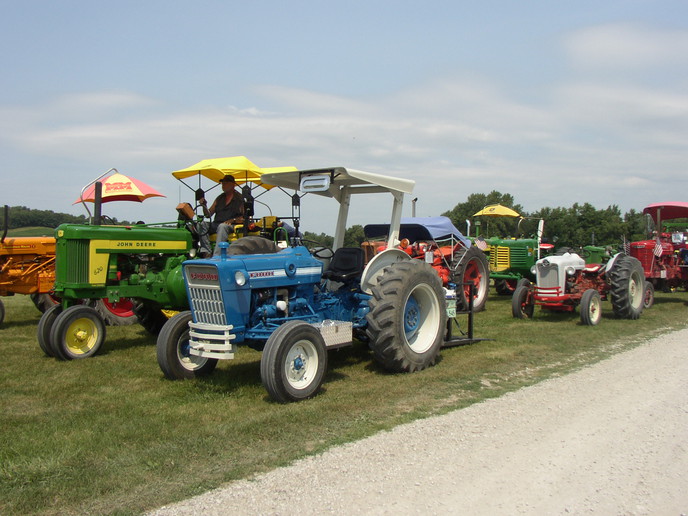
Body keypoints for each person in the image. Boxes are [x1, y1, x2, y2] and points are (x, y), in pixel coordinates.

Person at [199, 175, 245, 255]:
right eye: (222, 183)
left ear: (233, 184)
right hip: (216, 223)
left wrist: (232, 220)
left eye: (226, 183)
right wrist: (204, 205)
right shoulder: (220, 198)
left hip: (232, 225)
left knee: (222, 226)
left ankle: (217, 255)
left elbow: (244, 217)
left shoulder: (239, 199)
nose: (223, 185)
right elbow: (208, 215)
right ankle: (206, 251)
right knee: (202, 224)